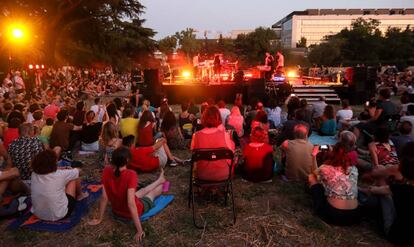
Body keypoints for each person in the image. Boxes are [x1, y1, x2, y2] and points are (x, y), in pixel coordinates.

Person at [89, 147, 166, 243]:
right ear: (127, 160)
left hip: (117, 211)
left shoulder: (106, 171)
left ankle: (159, 180)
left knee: (141, 191)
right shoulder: (131, 174)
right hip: (132, 211)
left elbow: (104, 197)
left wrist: (100, 219)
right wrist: (140, 230)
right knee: (153, 193)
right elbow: (131, 203)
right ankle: (161, 182)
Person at [361, 143, 414, 245]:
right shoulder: (400, 188)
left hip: (396, 235)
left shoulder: (399, 189)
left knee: (385, 194)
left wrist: (363, 188)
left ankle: (365, 206)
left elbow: (373, 190)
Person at [308, 143, 360, 225]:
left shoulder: (325, 168)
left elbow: (314, 174)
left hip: (333, 215)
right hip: (354, 215)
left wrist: (314, 155)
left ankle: (318, 205)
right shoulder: (354, 169)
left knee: (312, 178)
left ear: (332, 153)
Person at [31, 150, 88, 221]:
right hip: (60, 214)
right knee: (73, 178)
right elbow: (79, 171)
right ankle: (81, 195)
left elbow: (48, 170)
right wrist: (70, 169)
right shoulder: (60, 175)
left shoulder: (34, 174)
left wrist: (62, 169)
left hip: (38, 214)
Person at [191, 106, 235, 181]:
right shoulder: (225, 134)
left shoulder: (196, 135)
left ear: (203, 118)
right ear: (218, 118)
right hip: (223, 174)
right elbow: (231, 154)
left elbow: (193, 153)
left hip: (202, 175)